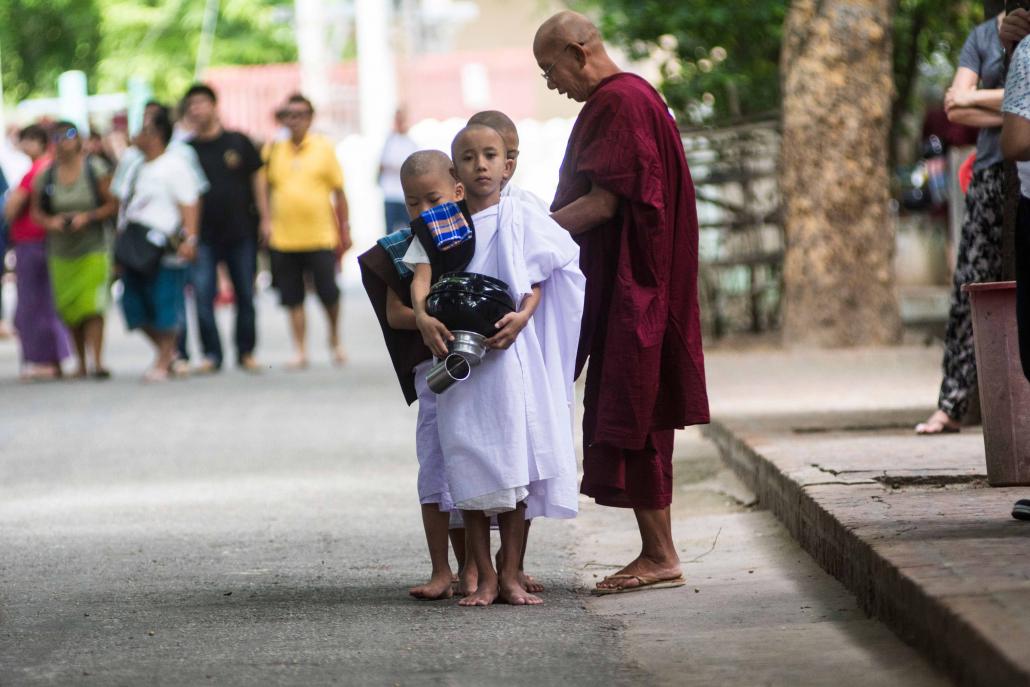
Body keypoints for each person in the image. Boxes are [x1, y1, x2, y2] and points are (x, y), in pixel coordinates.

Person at [536, 11, 710, 594]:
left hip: (639, 285)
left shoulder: (619, 102)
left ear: (577, 51)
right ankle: (658, 551)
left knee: (637, 406)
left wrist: (528, 238)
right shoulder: (638, 95)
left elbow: (603, 204)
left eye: (550, 68)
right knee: (641, 405)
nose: (551, 83)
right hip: (637, 281)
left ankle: (660, 554)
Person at [405, 125, 585, 606]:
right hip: (459, 361)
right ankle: (483, 576)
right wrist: (423, 317)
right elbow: (420, 276)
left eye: (491, 155)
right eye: (468, 157)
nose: (481, 164)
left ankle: (509, 574)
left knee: (512, 464)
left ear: (508, 166)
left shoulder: (522, 217)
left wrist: (524, 317)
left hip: (507, 360)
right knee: (468, 464)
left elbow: (543, 275)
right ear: (456, 175)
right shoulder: (444, 222)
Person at [358, 149, 474, 600]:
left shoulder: (478, 233)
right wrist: (428, 318)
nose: (424, 212)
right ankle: (442, 570)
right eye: (413, 204)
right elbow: (396, 314)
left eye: (433, 199)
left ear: (457, 192)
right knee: (436, 467)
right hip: (436, 370)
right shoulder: (405, 246)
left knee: (479, 465)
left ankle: (485, 568)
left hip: (482, 367)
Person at [916, 12, 1008, 435]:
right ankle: (952, 403)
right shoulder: (982, 35)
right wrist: (1015, 107)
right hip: (990, 172)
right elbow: (955, 104)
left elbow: (968, 101)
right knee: (968, 286)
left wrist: (980, 100)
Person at [258, 93, 352, 369]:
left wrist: (344, 229)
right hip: (284, 237)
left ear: (310, 118)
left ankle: (334, 338)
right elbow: (262, 187)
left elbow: (339, 192)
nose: (294, 120)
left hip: (320, 234)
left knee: (328, 292)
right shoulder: (273, 149)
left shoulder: (324, 148)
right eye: (289, 115)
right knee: (292, 295)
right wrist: (265, 220)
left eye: (300, 115)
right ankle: (300, 348)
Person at [115, 105, 201, 382]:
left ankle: (164, 360)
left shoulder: (174, 165)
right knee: (132, 306)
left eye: (143, 128)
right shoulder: (136, 165)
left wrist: (190, 239)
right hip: (134, 246)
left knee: (165, 303)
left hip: (164, 247)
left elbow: (190, 203)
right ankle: (170, 352)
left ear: (156, 134)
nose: (136, 134)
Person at [183, 83, 263, 373]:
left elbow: (258, 181)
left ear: (214, 105)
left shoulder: (239, 141)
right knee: (203, 295)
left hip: (240, 231)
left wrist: (266, 219)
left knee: (245, 293)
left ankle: (246, 351)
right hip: (202, 235)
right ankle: (211, 354)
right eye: (191, 104)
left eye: (201, 102)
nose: (196, 109)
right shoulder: (186, 151)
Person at [30, 121, 119, 379]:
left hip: (93, 246)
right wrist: (53, 222)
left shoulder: (95, 168)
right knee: (70, 308)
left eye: (69, 135)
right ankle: (80, 362)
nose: (63, 141)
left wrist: (87, 218)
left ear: (79, 139)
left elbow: (112, 204)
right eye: (57, 136)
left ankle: (98, 361)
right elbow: (37, 212)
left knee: (92, 305)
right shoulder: (45, 176)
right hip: (60, 249)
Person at [5, 125, 70, 380]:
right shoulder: (47, 169)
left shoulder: (37, 170)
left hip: (34, 243)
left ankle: (45, 359)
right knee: (42, 302)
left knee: (35, 304)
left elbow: (12, 207)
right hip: (39, 242)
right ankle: (48, 358)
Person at [378, 108, 419, 234]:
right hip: (390, 194)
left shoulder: (411, 142)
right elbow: (381, 165)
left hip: (405, 196)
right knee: (390, 233)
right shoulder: (389, 141)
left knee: (409, 231)